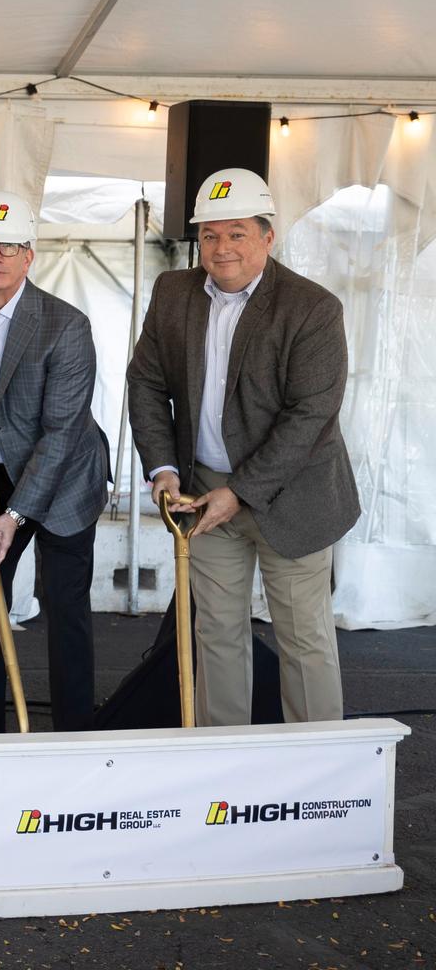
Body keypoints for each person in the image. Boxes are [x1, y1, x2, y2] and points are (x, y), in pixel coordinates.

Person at [126, 167, 356, 725]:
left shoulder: (312, 308)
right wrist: (163, 469)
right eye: (209, 234)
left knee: (303, 639)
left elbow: (310, 416)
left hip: (294, 497)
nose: (221, 247)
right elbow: (146, 381)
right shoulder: (173, 292)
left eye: (236, 233)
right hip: (202, 490)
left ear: (268, 237)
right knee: (217, 633)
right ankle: (224, 761)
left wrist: (240, 492)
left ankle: (317, 765)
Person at [0, 191, 109, 732]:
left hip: (66, 478)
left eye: (8, 246)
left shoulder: (65, 325)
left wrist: (16, 515)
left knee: (64, 605)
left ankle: (74, 733)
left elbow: (62, 433)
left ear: (29, 256)